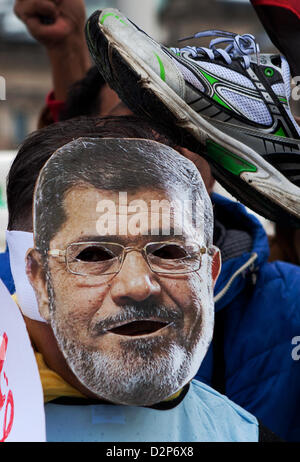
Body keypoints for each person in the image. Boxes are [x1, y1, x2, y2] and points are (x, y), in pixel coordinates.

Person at [6, 115, 300, 440]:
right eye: (93, 255)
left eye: (169, 252)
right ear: (35, 278)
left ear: (210, 273)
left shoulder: (243, 435)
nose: (139, 286)